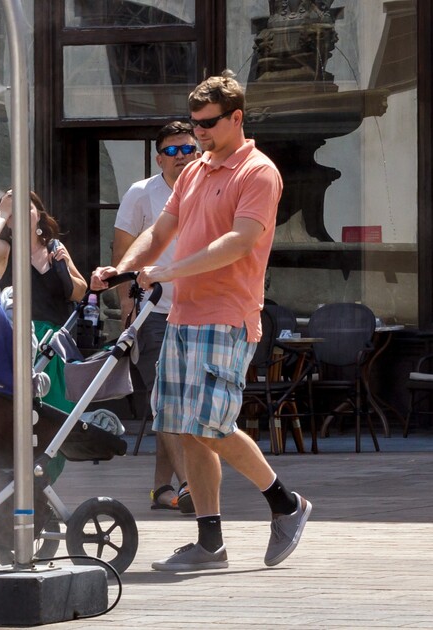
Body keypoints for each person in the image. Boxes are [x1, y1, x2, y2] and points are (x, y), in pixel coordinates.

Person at [91, 71, 312, 572]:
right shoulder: (193, 172)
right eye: (194, 125)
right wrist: (124, 267)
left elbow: (237, 242)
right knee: (184, 429)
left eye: (208, 124)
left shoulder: (258, 172)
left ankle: (286, 504)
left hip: (227, 315)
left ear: (236, 117)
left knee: (211, 426)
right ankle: (209, 543)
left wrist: (167, 270)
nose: (199, 135)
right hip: (183, 314)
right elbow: (161, 229)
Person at [112, 122, 199, 515]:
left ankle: (163, 488)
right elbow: (123, 255)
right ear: (159, 156)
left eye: (188, 149)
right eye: (173, 150)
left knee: (180, 405)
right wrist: (126, 311)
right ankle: (191, 487)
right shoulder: (141, 193)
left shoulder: (207, 186)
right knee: (167, 403)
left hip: (200, 311)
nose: (182, 156)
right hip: (154, 311)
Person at [0, 189, 87, 414]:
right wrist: (3, 212)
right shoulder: (5, 252)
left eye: (25, 207)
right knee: (23, 413)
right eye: (12, 211)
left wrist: (64, 265)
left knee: (58, 413)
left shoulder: (54, 247)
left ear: (38, 214)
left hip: (55, 345)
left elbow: (80, 292)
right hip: (20, 342)